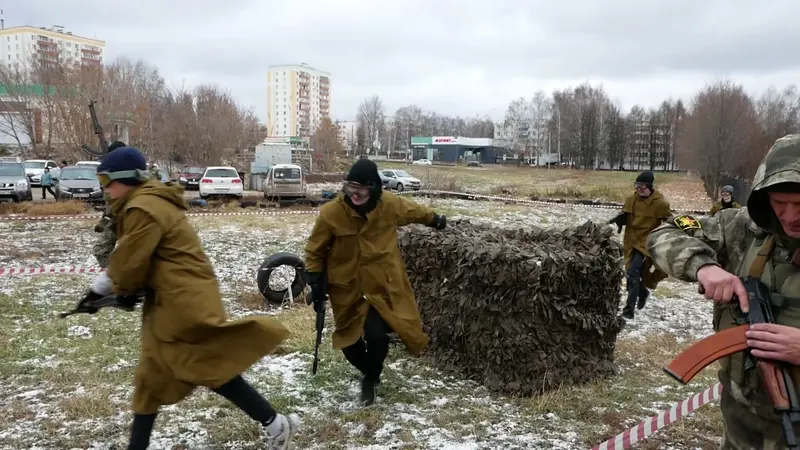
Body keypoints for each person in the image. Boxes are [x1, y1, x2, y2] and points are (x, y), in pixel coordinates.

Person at [90, 146, 300, 450]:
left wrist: (101, 291)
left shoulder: (144, 207)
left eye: (107, 179)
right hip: (168, 303)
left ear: (127, 179)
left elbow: (128, 264)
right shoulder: (141, 204)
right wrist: (115, 290)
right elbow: (137, 262)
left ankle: (275, 423)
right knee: (151, 383)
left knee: (207, 367)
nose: (104, 187)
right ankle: (275, 423)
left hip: (184, 305)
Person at [646, 134, 800, 449]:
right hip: (741, 418)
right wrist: (704, 266)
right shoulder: (739, 227)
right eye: (779, 203)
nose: (790, 216)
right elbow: (667, 231)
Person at [304, 158, 447, 406]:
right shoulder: (331, 214)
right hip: (347, 288)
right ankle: (369, 370)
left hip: (380, 285)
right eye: (351, 186)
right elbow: (315, 250)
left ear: (375, 188)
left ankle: (370, 379)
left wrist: (434, 219)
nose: (356, 193)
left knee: (378, 337)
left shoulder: (388, 205)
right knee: (348, 343)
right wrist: (315, 281)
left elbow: (413, 211)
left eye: (363, 188)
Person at [608, 171, 672, 320]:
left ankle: (628, 310)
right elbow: (626, 214)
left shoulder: (660, 203)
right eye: (637, 187)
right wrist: (620, 219)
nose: (639, 190)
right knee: (632, 274)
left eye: (642, 187)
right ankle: (642, 292)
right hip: (631, 241)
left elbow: (670, 221)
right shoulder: (632, 199)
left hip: (647, 243)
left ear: (650, 186)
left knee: (632, 272)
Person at [92, 140, 128, 268]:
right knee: (100, 251)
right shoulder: (111, 171)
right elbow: (110, 202)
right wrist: (104, 221)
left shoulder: (128, 173)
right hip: (115, 218)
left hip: (128, 219)